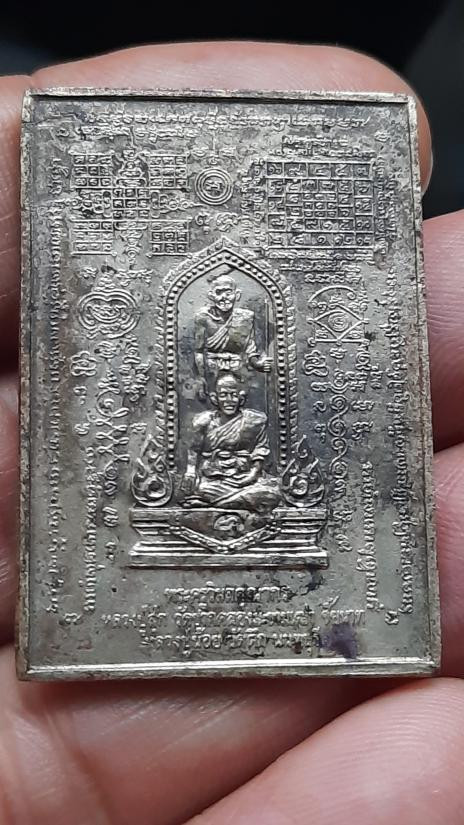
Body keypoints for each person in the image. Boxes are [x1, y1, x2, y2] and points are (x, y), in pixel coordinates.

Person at [0, 39, 462, 825]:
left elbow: (255, 438)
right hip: (208, 489)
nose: (221, 384)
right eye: (211, 310)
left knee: (257, 484)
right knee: (196, 483)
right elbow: (195, 455)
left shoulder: (248, 402)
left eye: (226, 310)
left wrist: (239, 448)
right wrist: (200, 468)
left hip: (252, 487)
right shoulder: (209, 403)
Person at [180, 373, 281, 512]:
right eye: (223, 395)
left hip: (245, 477)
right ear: (215, 398)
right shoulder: (203, 422)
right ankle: (230, 501)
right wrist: (190, 472)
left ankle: (213, 503)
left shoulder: (253, 421)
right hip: (213, 479)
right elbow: (194, 449)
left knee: (273, 493)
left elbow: (260, 449)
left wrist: (252, 474)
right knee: (201, 489)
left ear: (241, 398)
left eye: (233, 395)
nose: (229, 400)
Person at [193, 263, 272, 399]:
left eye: (228, 293)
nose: (224, 297)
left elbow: (250, 349)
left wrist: (257, 363)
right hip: (212, 369)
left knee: (239, 399)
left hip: (239, 368)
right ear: (211, 296)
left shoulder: (246, 318)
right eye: (219, 293)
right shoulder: (203, 317)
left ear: (237, 295)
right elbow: (198, 351)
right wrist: (201, 378)